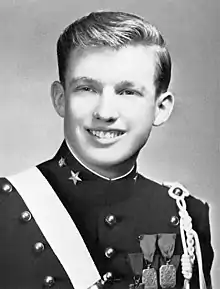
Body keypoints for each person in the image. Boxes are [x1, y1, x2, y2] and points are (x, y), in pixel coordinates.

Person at [0, 10, 213, 289]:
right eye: (87, 88)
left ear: (160, 109)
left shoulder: (185, 218)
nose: (105, 112)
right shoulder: (6, 207)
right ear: (60, 99)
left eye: (128, 92)